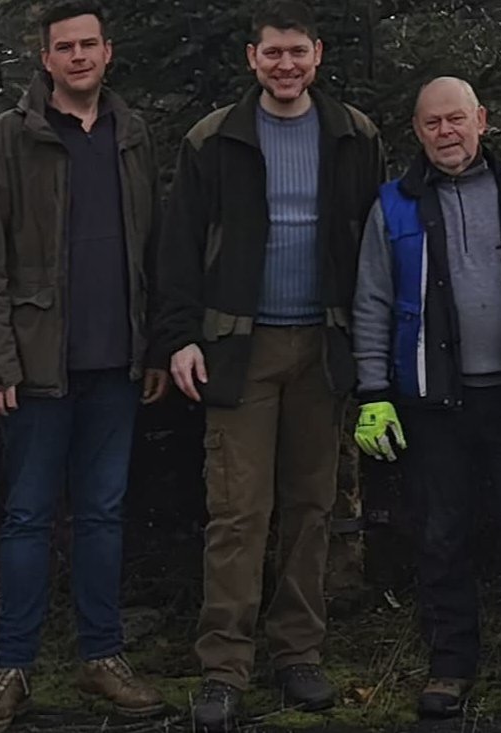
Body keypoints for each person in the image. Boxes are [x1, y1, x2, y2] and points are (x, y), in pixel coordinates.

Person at [154, 1, 384, 729]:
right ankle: (224, 666)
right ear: (252, 60)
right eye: (272, 54)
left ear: (316, 55)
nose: (285, 65)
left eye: (297, 52)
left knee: (312, 509)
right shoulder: (214, 138)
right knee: (237, 512)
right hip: (236, 349)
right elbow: (179, 246)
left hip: (323, 344)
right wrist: (180, 335)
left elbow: (373, 243)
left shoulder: (353, 134)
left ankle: (298, 654)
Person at [352, 77, 501, 732]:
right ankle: (449, 666)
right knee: (439, 537)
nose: (445, 132)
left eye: (456, 119)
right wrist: (373, 392)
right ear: (417, 130)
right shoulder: (392, 207)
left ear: (480, 120)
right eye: (431, 123)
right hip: (432, 405)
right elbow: (371, 304)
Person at [0, 1, 169, 729]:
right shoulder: (11, 138)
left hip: (117, 363)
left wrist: (153, 349)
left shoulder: (131, 133)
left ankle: (100, 658)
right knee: (25, 516)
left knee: (103, 514)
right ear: (45, 59)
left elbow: (151, 248)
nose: (78, 57)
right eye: (64, 47)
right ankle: (9, 668)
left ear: (107, 53)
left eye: (89, 45)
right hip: (37, 365)